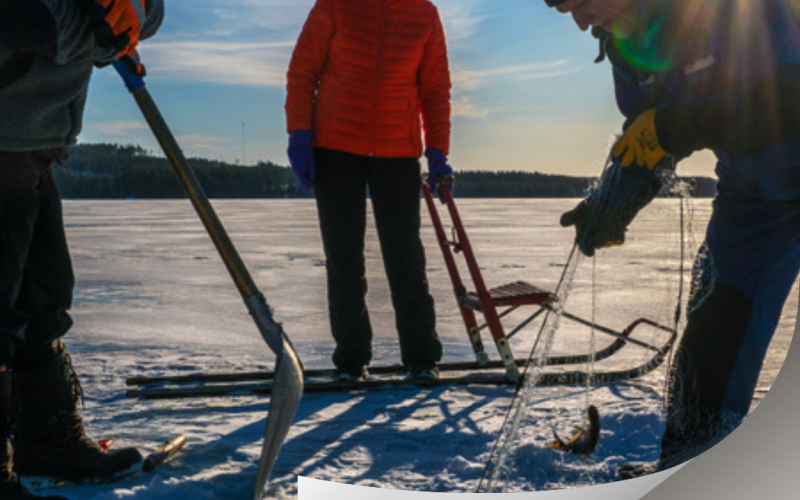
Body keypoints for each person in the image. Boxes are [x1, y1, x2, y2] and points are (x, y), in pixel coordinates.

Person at [545, 0, 800, 476]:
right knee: (712, 335)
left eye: (581, 3)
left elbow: (787, 98)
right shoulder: (624, 42)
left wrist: (678, 126)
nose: (580, 22)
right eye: (566, 11)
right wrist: (609, 205)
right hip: (755, 201)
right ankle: (688, 467)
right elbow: (647, 134)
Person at [0, 1, 164, 498]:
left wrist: (123, 13)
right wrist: (103, 30)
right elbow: (35, 20)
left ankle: (46, 438)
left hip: (35, 135)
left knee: (43, 298)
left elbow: (147, 13)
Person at [285, 0, 453, 382]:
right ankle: (351, 361)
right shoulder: (335, 5)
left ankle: (422, 357)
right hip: (335, 148)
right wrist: (299, 132)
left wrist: (438, 150)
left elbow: (435, 89)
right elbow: (302, 70)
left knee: (406, 258)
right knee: (344, 260)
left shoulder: (424, 13)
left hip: (398, 154)